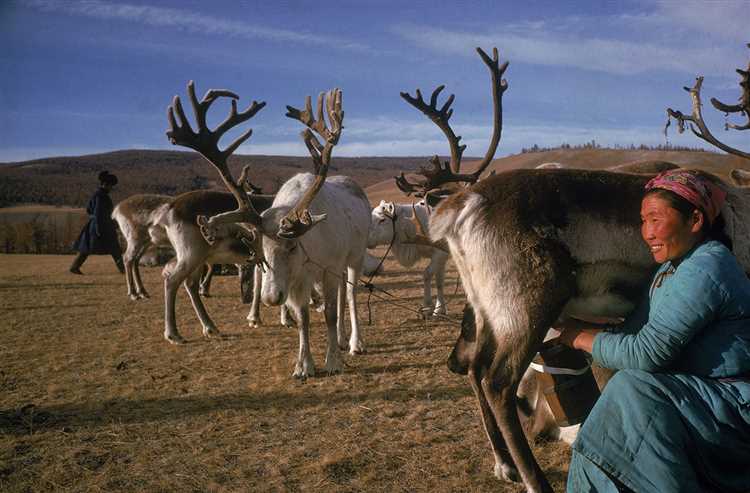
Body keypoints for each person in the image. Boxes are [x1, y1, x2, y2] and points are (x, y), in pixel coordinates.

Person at [556, 169, 750, 493]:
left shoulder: (709, 266)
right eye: (643, 221)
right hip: (696, 399)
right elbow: (636, 331)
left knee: (632, 389)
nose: (646, 233)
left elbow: (646, 353)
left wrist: (572, 336)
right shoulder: (671, 270)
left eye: (655, 219)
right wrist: (580, 326)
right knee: (625, 394)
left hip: (730, 408)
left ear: (696, 220)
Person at [69, 171, 124, 275]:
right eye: (111, 185)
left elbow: (89, 210)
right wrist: (99, 229)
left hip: (96, 225)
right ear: (105, 184)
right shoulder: (101, 196)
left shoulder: (98, 195)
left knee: (87, 248)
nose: (111, 188)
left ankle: (74, 267)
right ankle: (123, 269)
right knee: (114, 248)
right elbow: (98, 213)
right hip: (101, 226)